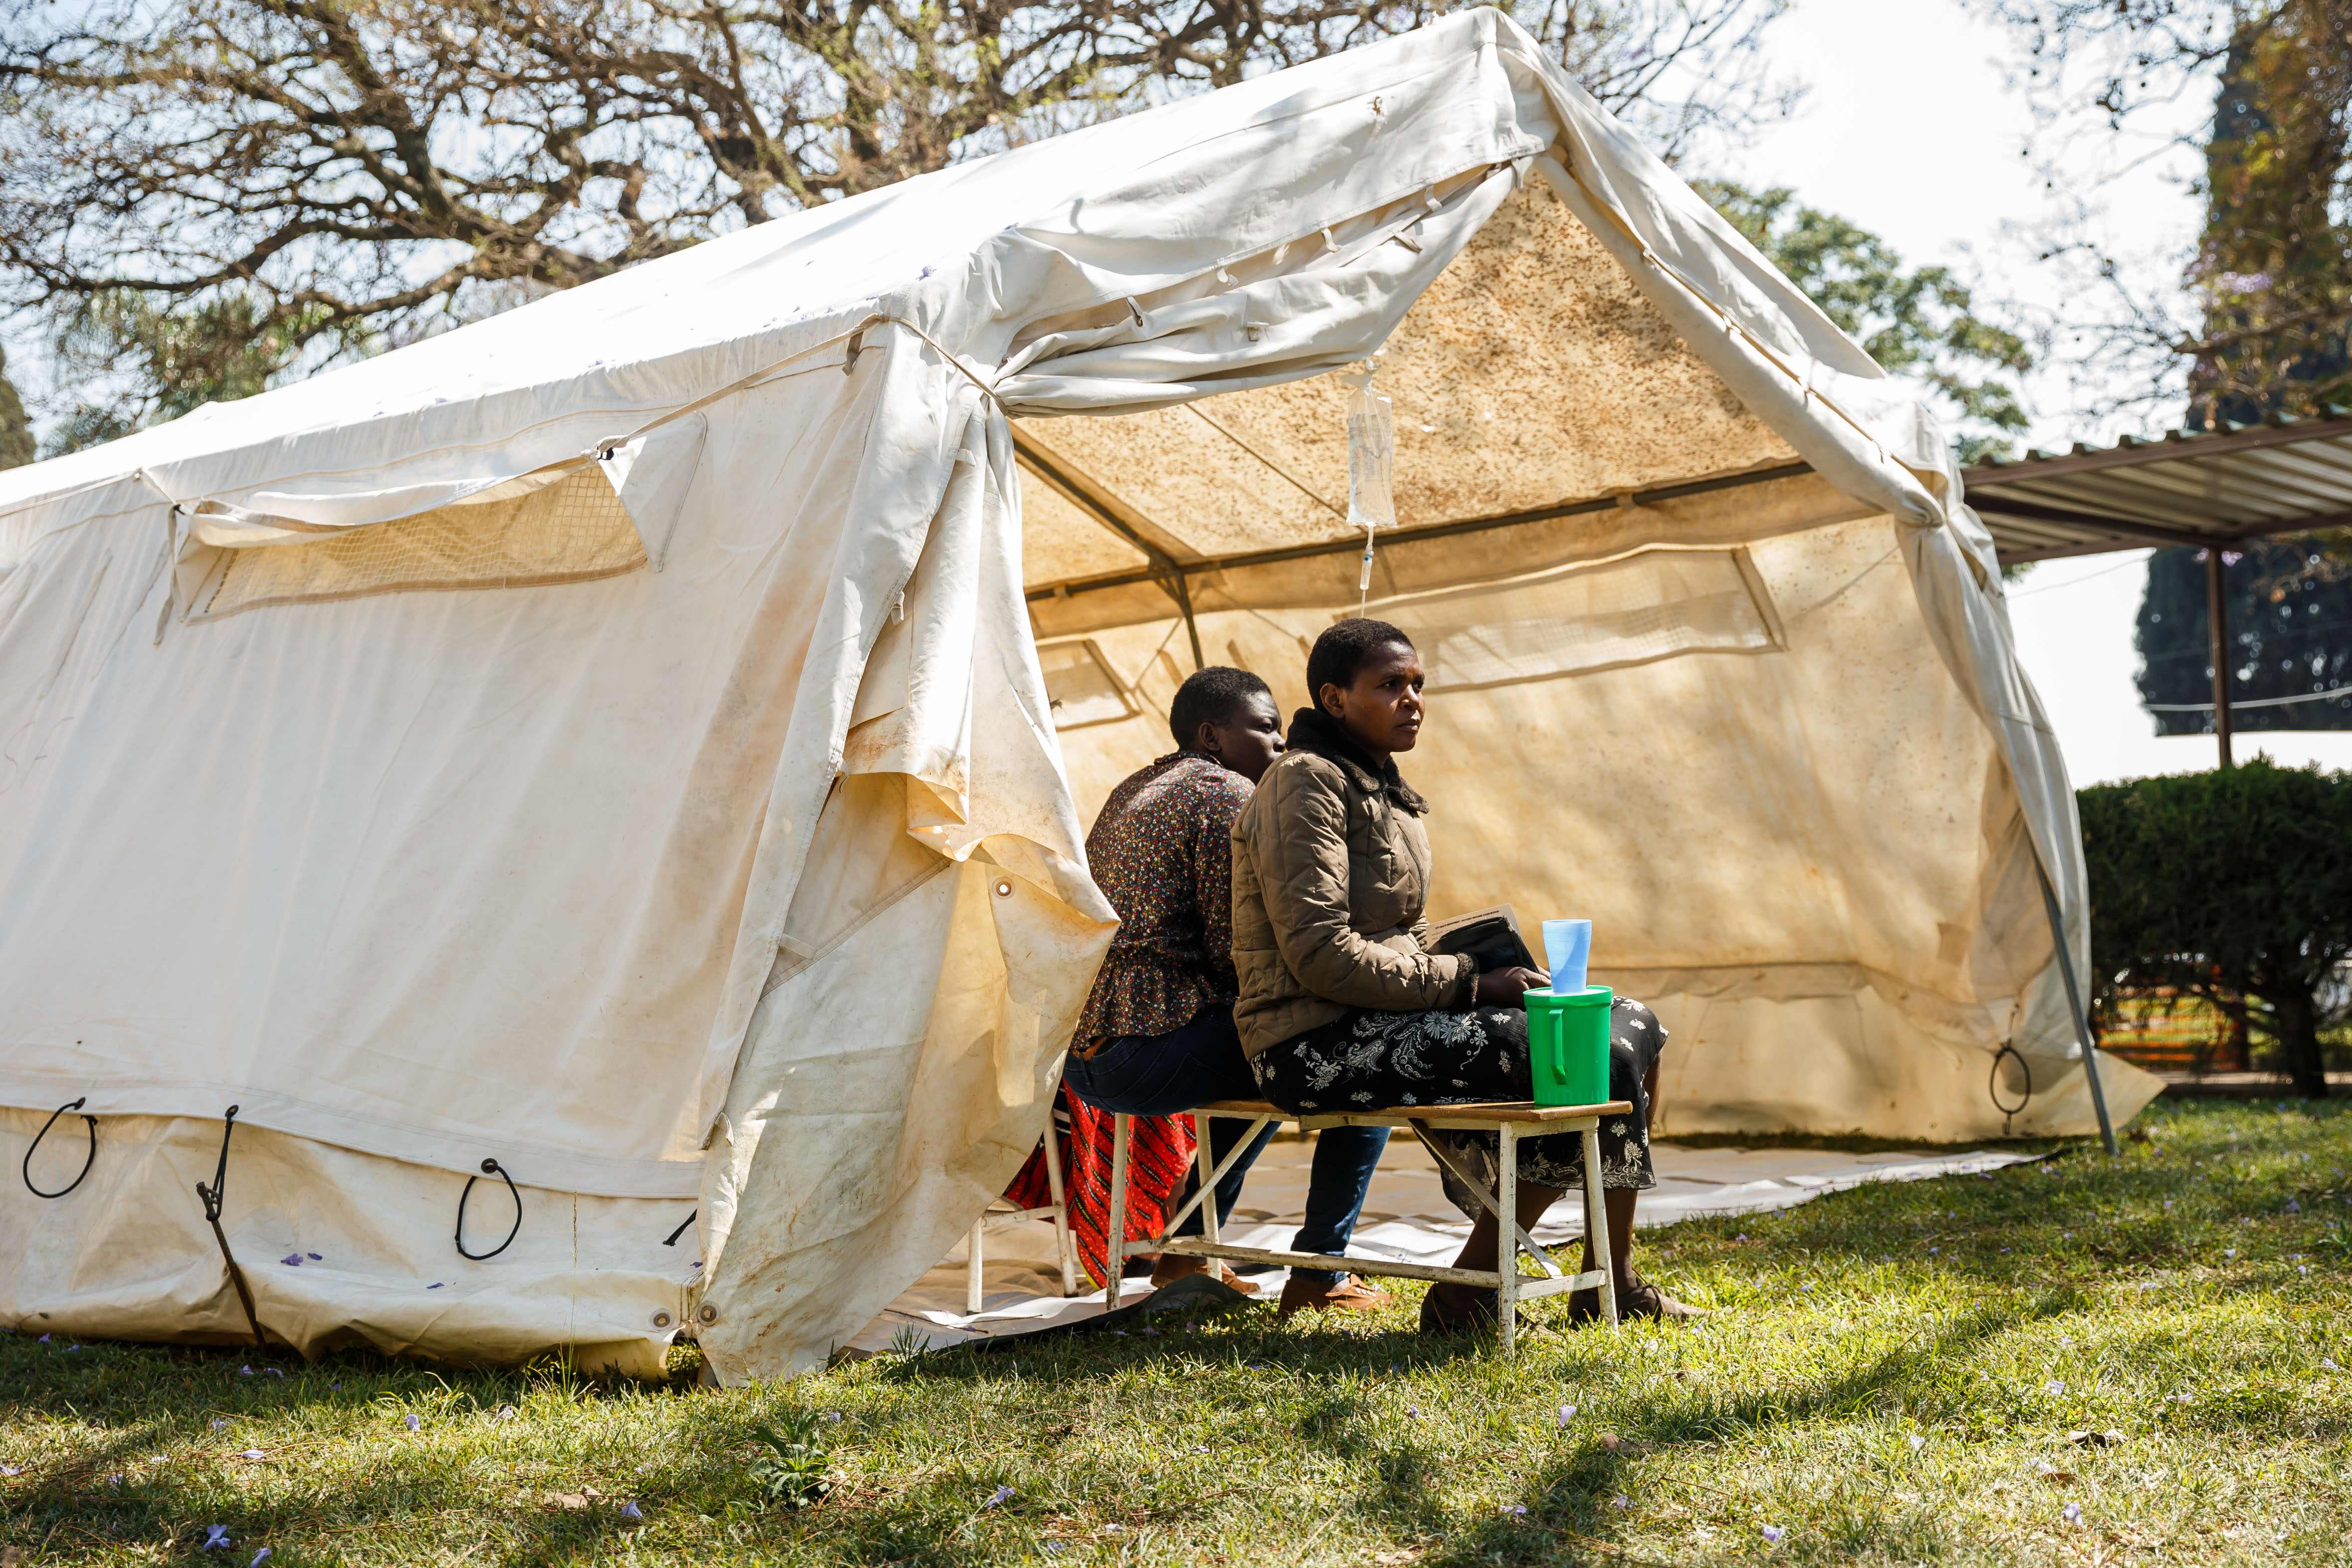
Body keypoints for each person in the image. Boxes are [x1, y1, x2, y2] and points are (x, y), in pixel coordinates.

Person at [1230, 619, 1701, 1333]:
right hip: (1310, 1040)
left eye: (1417, 683)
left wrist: (1481, 960)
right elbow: (1321, 955)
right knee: (1580, 1057)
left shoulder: (1385, 789)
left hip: (1380, 1017)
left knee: (1627, 1025)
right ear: (1333, 698)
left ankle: (1612, 1279)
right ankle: (1467, 1293)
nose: (1412, 698)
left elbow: (1399, 937)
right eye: (1389, 685)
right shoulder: (1303, 783)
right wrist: (1474, 982)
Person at [1063, 666, 1395, 1317]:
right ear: (1212, 735)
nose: (1280, 742)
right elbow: (1239, 951)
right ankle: (1321, 1270)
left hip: (1086, 1058)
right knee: (1366, 1055)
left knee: (1266, 1060)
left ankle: (1186, 1253)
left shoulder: (1135, 786)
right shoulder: (1227, 796)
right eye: (1265, 727)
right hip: (1149, 1051)